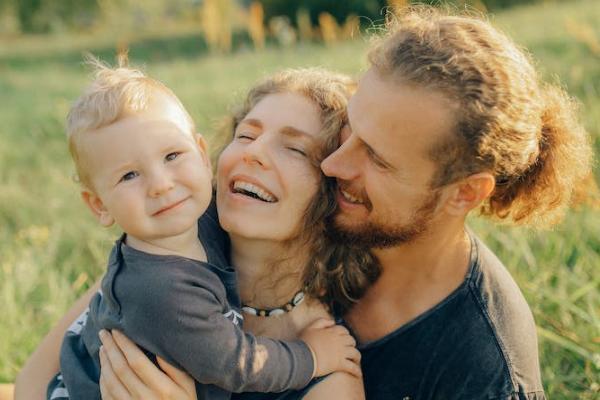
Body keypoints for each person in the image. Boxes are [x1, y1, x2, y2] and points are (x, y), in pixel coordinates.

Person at [75, 7, 592, 400]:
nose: (336, 165)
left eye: (379, 158)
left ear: (464, 193)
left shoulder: (481, 366)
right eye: (348, 132)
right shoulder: (235, 222)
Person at [16, 68, 373, 399]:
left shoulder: (330, 371)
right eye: (246, 134)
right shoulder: (160, 258)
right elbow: (32, 386)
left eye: (295, 148)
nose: (254, 151)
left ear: (336, 191)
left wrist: (311, 356)